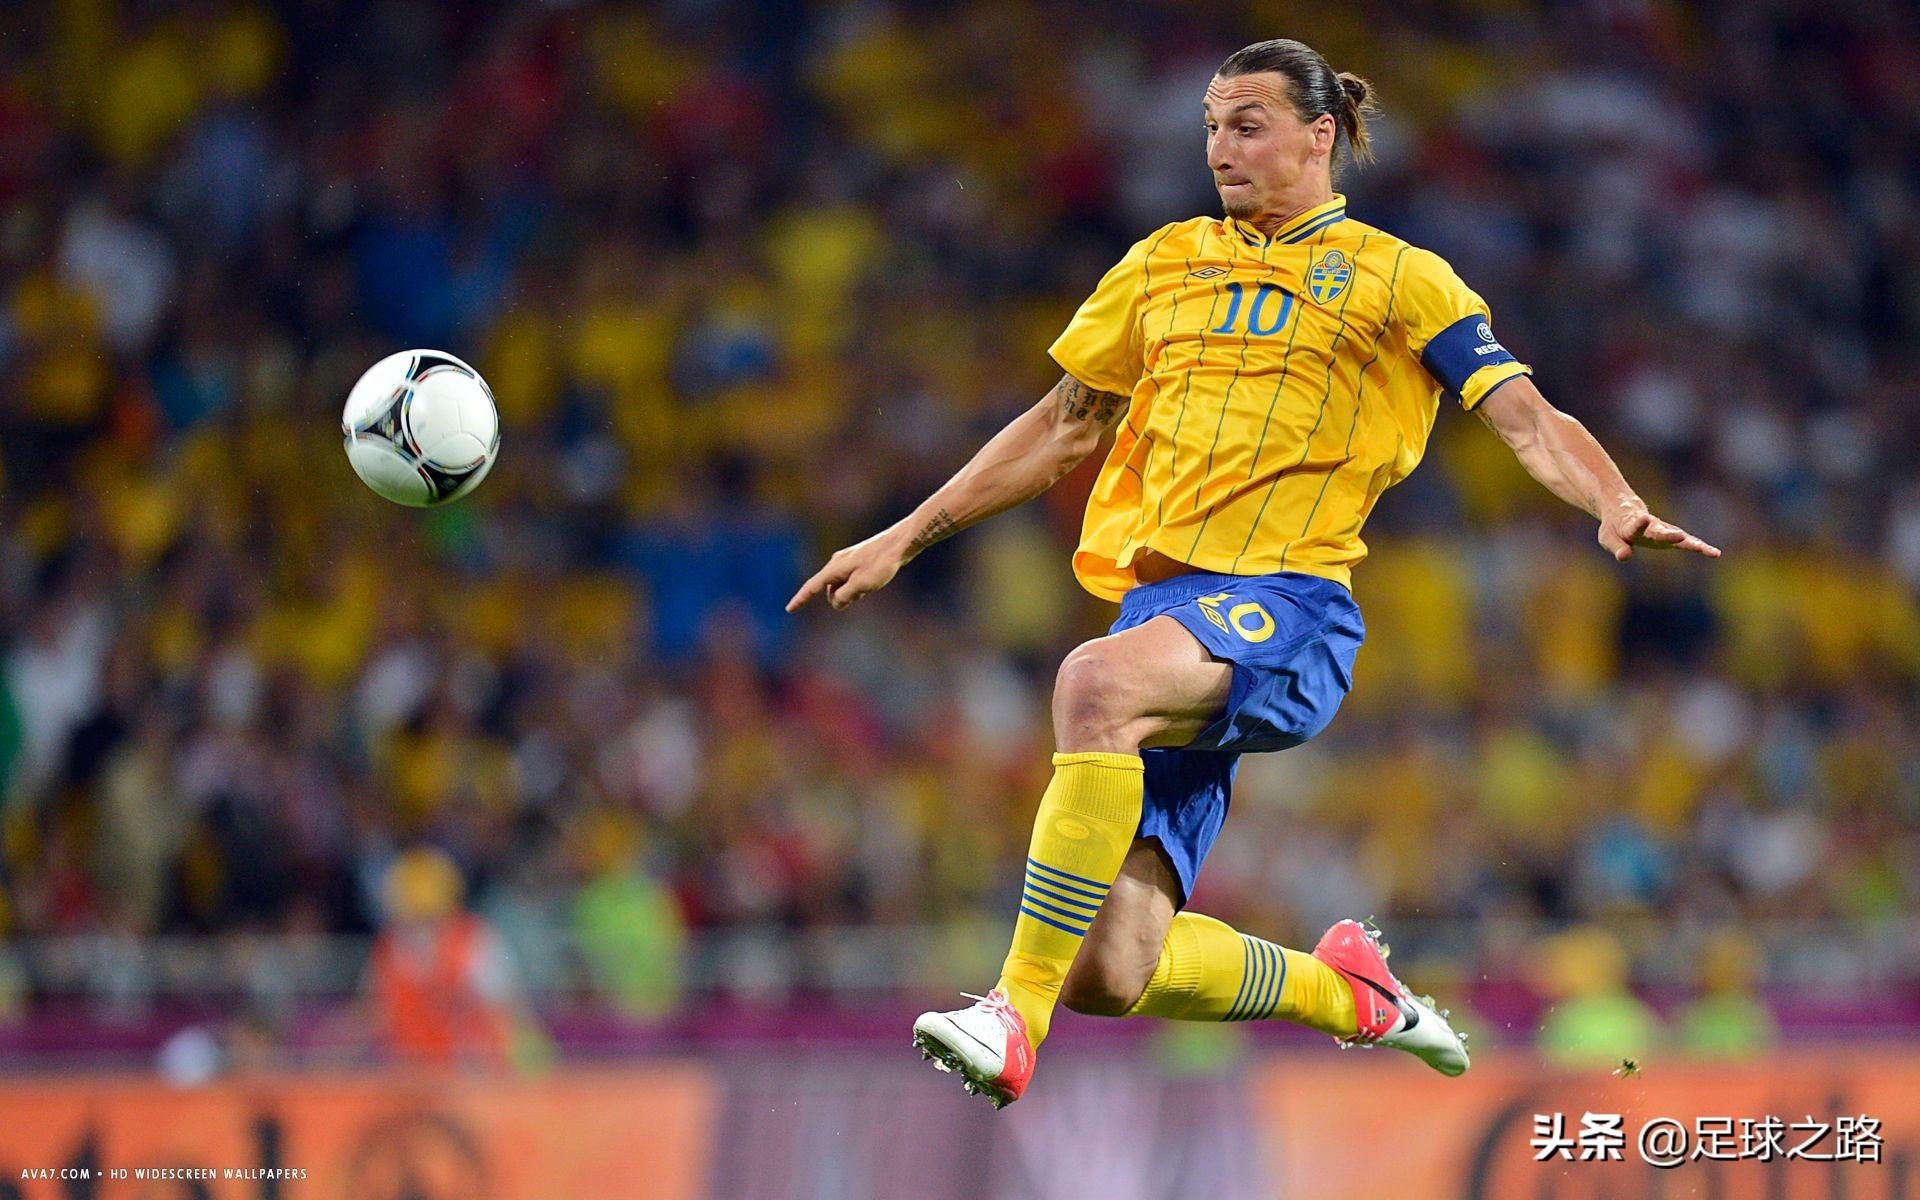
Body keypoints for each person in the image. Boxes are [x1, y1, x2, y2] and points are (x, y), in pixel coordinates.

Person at [788, 38, 1719, 1108]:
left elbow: (1525, 417)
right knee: (1112, 971)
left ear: (1320, 136)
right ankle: (1348, 994)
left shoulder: (1398, 277)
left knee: (1093, 684)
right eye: (1211, 128)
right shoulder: (1161, 262)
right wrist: (903, 535)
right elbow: (1062, 425)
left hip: (1291, 608)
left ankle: (1009, 1014)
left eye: (1247, 125)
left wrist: (1611, 497)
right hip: (1167, 615)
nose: (1219, 149)